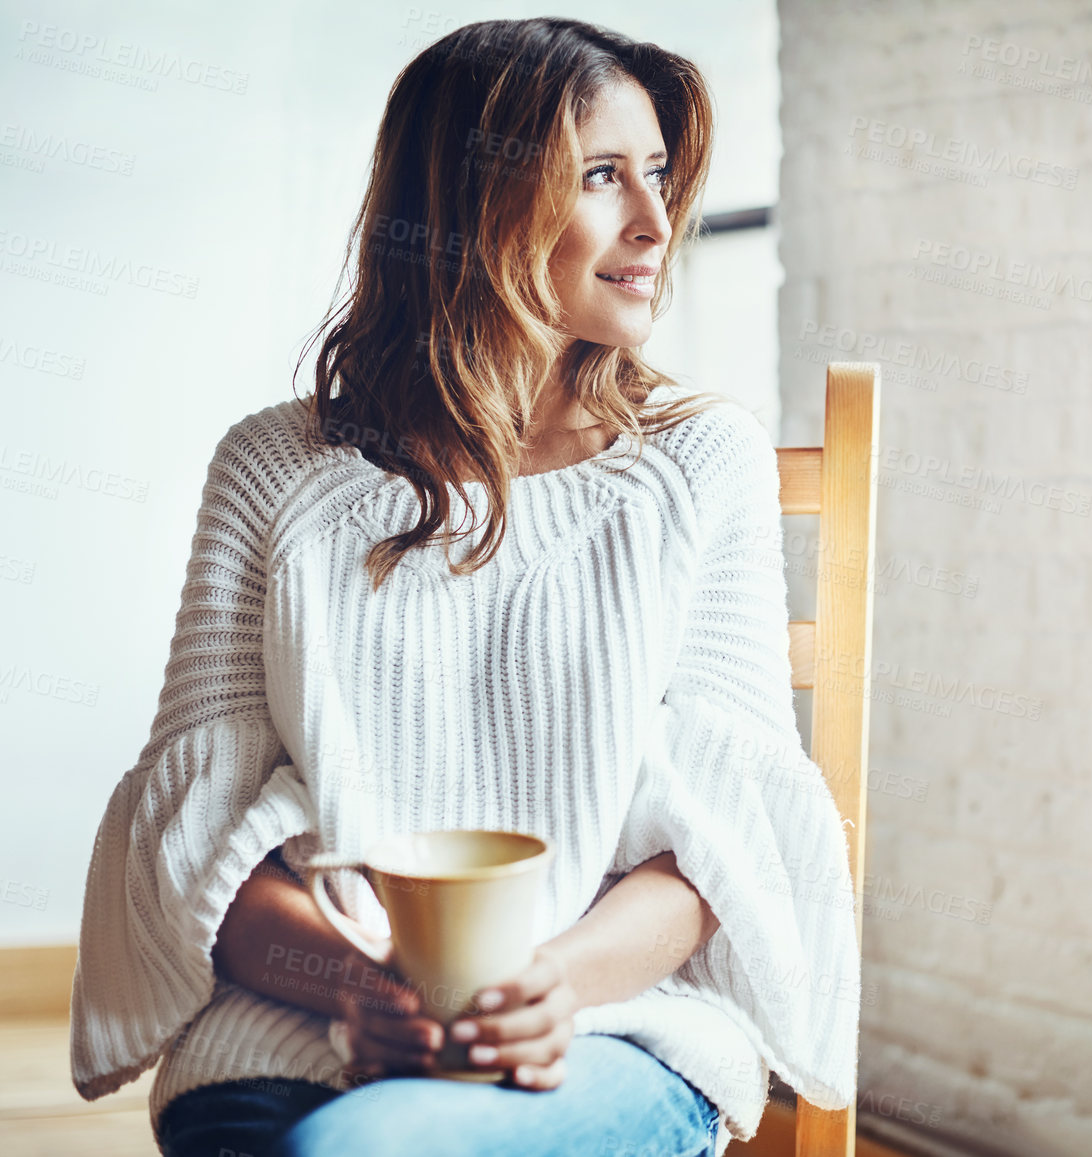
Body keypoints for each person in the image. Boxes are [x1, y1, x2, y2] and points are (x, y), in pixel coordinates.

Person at [66, 17, 861, 1157]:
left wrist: (550, 986)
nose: (655, 222)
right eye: (601, 175)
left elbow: (720, 845)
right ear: (472, 206)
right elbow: (196, 846)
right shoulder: (272, 470)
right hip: (290, 1025)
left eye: (660, 175)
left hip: (617, 1026)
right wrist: (354, 985)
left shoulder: (700, 465)